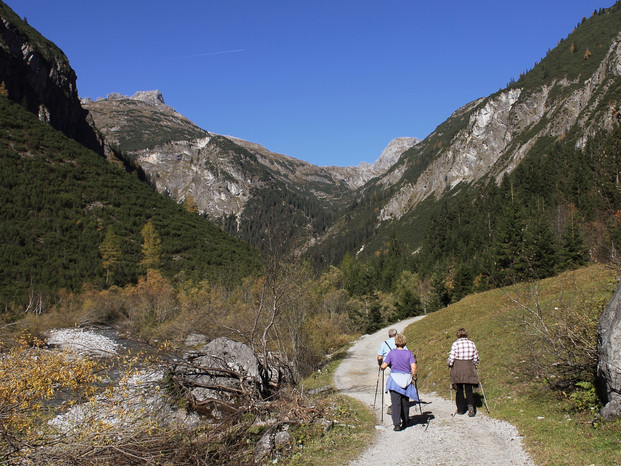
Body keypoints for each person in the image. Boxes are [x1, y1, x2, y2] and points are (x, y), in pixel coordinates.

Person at [381, 333, 418, 431]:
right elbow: (413, 367)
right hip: (406, 378)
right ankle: (406, 421)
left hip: (394, 379)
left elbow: (384, 366)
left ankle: (397, 424)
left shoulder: (392, 353)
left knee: (396, 402)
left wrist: (381, 365)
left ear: (396, 342)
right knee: (405, 401)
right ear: (404, 342)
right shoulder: (408, 353)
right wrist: (414, 376)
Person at [448, 327, 479, 417]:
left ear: (458, 335)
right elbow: (476, 357)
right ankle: (471, 408)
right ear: (466, 334)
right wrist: (475, 364)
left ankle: (461, 409)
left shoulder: (455, 344)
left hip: (458, 368)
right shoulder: (471, 343)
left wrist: (450, 364)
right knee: (469, 389)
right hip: (468, 367)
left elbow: (452, 357)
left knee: (459, 389)